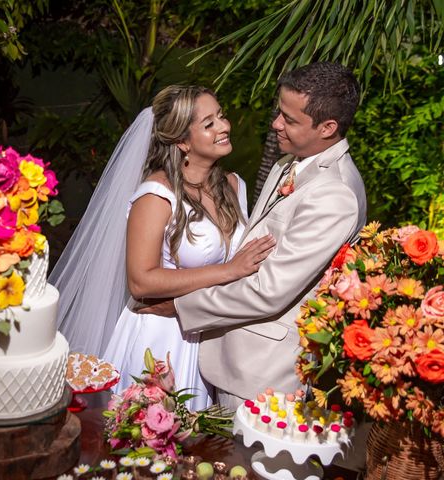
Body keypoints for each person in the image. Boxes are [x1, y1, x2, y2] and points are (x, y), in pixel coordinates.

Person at [140, 62, 367, 410]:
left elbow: (268, 291)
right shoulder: (288, 163)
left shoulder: (334, 194)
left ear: (328, 127)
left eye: (290, 120)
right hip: (226, 355)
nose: (276, 123)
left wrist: (180, 305)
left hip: (262, 374)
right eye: (280, 112)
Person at [51, 85, 274, 410]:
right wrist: (228, 270)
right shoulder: (156, 195)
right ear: (183, 141)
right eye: (208, 123)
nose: (224, 127)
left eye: (221, 116)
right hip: (161, 340)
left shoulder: (235, 186)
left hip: (215, 337)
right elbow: (141, 281)